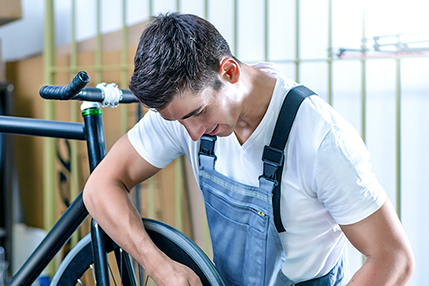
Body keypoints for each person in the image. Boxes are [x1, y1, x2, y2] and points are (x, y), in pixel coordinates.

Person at [82, 12, 414, 285]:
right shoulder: (186, 112)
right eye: (179, 121)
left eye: (197, 114)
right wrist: (160, 267)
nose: (193, 135)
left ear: (229, 71)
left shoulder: (321, 138)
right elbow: (100, 187)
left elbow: (393, 259)